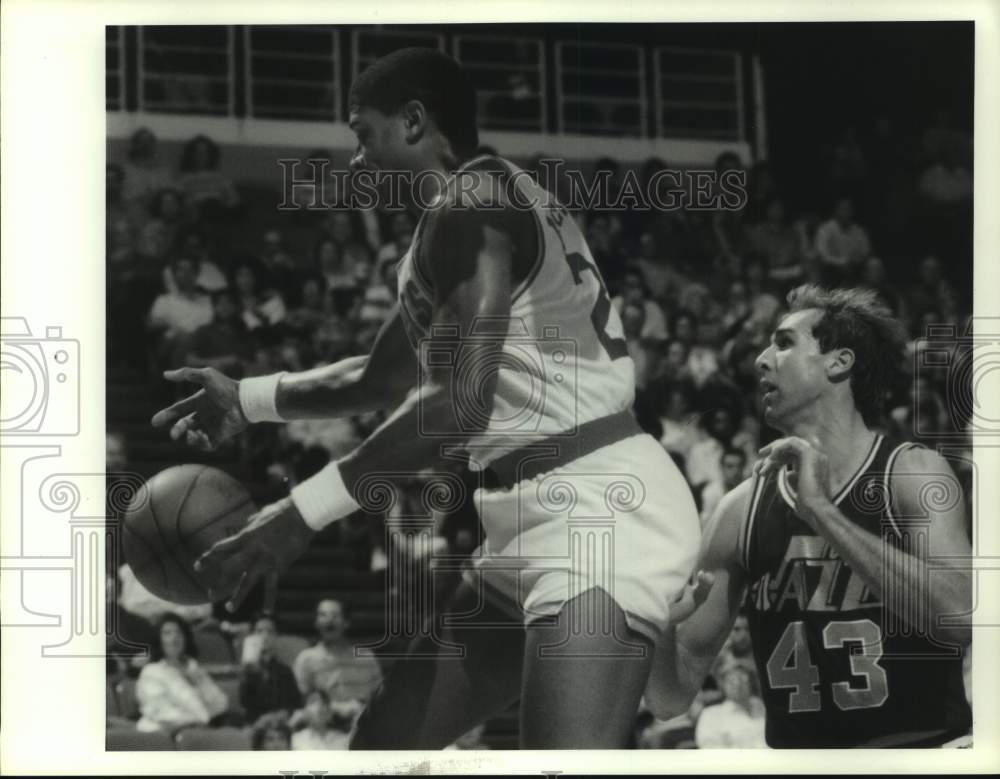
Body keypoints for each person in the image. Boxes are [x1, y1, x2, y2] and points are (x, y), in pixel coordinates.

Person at [151, 47, 701, 749]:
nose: (356, 159)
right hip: (527, 511)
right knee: (381, 746)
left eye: (364, 134)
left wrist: (303, 509)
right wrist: (248, 398)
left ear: (413, 122)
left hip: (600, 505)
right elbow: (380, 379)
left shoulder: (472, 206)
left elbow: (458, 402)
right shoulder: (464, 213)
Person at [645, 285, 973, 748]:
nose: (761, 360)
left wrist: (821, 513)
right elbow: (669, 697)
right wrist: (658, 628)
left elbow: (961, 618)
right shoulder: (740, 509)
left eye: (783, 343)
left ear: (838, 362)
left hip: (922, 752)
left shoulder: (911, 473)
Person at [135, 613, 229, 733]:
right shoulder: (151, 672)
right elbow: (161, 712)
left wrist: (198, 682)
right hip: (164, 735)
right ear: (158, 639)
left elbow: (221, 703)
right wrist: (197, 720)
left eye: (179, 632)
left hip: (198, 731)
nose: (174, 638)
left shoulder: (192, 667)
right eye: (167, 633)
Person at [292, 599, 382, 705]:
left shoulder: (366, 657)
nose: (329, 620)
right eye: (323, 615)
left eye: (335, 615)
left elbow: (380, 696)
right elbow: (300, 699)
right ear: (316, 623)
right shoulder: (305, 659)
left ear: (346, 623)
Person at [239, 614, 302, 723]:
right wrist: (248, 674)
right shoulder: (244, 670)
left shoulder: (284, 671)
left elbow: (295, 705)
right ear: (251, 636)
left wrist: (279, 716)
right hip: (252, 725)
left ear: (276, 637)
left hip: (279, 725)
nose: (265, 636)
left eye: (270, 631)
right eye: (259, 631)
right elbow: (244, 704)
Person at [693, 664, 767, 749]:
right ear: (722, 685)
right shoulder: (710, 714)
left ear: (752, 683)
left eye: (744, 680)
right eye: (732, 681)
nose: (738, 685)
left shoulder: (765, 709)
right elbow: (709, 748)